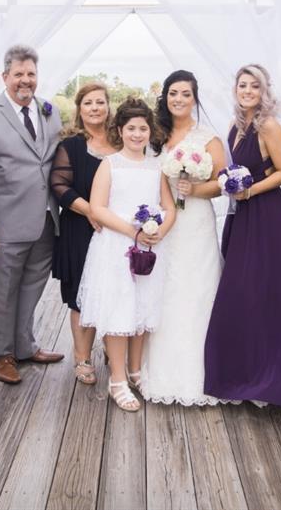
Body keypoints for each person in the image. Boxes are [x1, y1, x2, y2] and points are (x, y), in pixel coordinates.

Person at [204, 64, 281, 405]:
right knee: (241, 292)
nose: (247, 91)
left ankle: (272, 378)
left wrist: (250, 190)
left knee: (267, 291)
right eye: (243, 85)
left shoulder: (269, 125)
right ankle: (243, 371)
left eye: (254, 86)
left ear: (264, 91)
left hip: (267, 216)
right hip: (242, 216)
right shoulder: (235, 125)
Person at [0, 44, 64, 384]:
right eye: (18, 74)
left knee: (33, 286)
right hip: (5, 222)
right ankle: (0, 354)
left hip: (46, 218)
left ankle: (24, 345)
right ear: (5, 76)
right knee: (2, 291)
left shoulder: (51, 111)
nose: (26, 80)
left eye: (31, 74)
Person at [77, 98, 176, 411]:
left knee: (142, 309)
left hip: (149, 246)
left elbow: (169, 207)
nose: (137, 134)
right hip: (116, 247)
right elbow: (97, 208)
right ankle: (117, 379)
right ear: (120, 130)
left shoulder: (157, 166)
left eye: (142, 129)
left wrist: (160, 231)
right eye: (131, 128)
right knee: (119, 310)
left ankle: (135, 371)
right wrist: (132, 232)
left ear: (150, 131)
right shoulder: (110, 164)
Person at [140, 70, 226, 406]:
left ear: (194, 98)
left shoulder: (208, 139)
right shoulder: (154, 134)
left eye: (185, 94)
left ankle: (203, 372)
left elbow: (221, 182)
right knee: (164, 288)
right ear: (165, 97)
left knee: (197, 288)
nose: (178, 99)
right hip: (162, 222)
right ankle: (155, 367)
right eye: (173, 93)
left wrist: (195, 189)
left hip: (196, 222)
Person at [50, 82, 116, 385]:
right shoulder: (71, 145)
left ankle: (113, 349)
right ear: (80, 109)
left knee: (114, 291)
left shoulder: (121, 140)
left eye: (100, 102)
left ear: (108, 106)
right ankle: (83, 358)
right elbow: (59, 186)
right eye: (88, 103)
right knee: (81, 295)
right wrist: (91, 211)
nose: (95, 108)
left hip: (115, 230)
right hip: (80, 227)